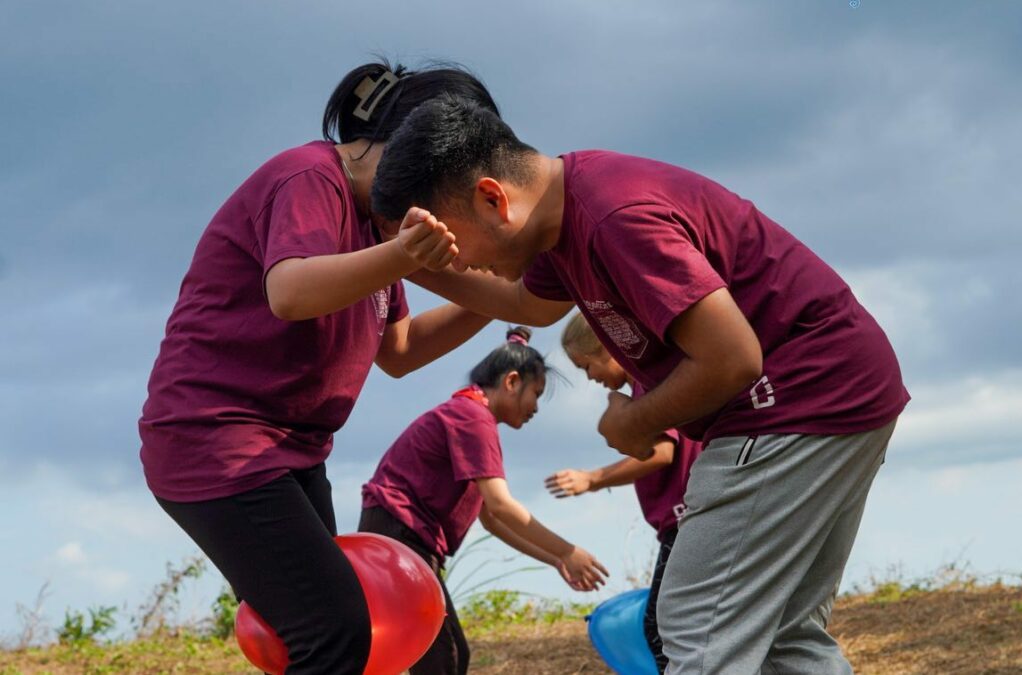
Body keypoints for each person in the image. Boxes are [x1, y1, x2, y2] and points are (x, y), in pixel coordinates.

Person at [368, 95, 910, 673]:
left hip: (793, 402)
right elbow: (527, 303)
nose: (459, 262)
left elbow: (732, 358)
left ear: (491, 198)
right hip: (842, 390)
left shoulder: (612, 216)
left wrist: (635, 418)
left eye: (452, 243)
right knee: (783, 636)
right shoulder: (566, 217)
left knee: (698, 628)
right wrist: (399, 263)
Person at [138, 64, 504, 675]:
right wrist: (401, 254)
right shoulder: (309, 178)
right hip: (217, 441)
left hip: (294, 454)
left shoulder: (377, 224)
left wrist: (503, 291)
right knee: (334, 634)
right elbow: (290, 291)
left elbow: (401, 349)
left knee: (327, 639)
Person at [358, 326, 608, 674]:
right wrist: (567, 550)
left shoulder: (471, 415)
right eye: (536, 393)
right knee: (442, 657)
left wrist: (554, 560)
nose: (536, 407)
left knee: (448, 653)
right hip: (400, 535)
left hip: (401, 536)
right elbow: (503, 505)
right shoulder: (472, 417)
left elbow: (492, 517)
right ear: (511, 382)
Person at [546, 313, 702, 673]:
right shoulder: (648, 385)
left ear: (611, 345)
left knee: (662, 626)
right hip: (682, 523)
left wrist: (593, 478)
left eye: (587, 365)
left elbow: (663, 452)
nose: (590, 377)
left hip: (685, 523)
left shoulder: (648, 382)